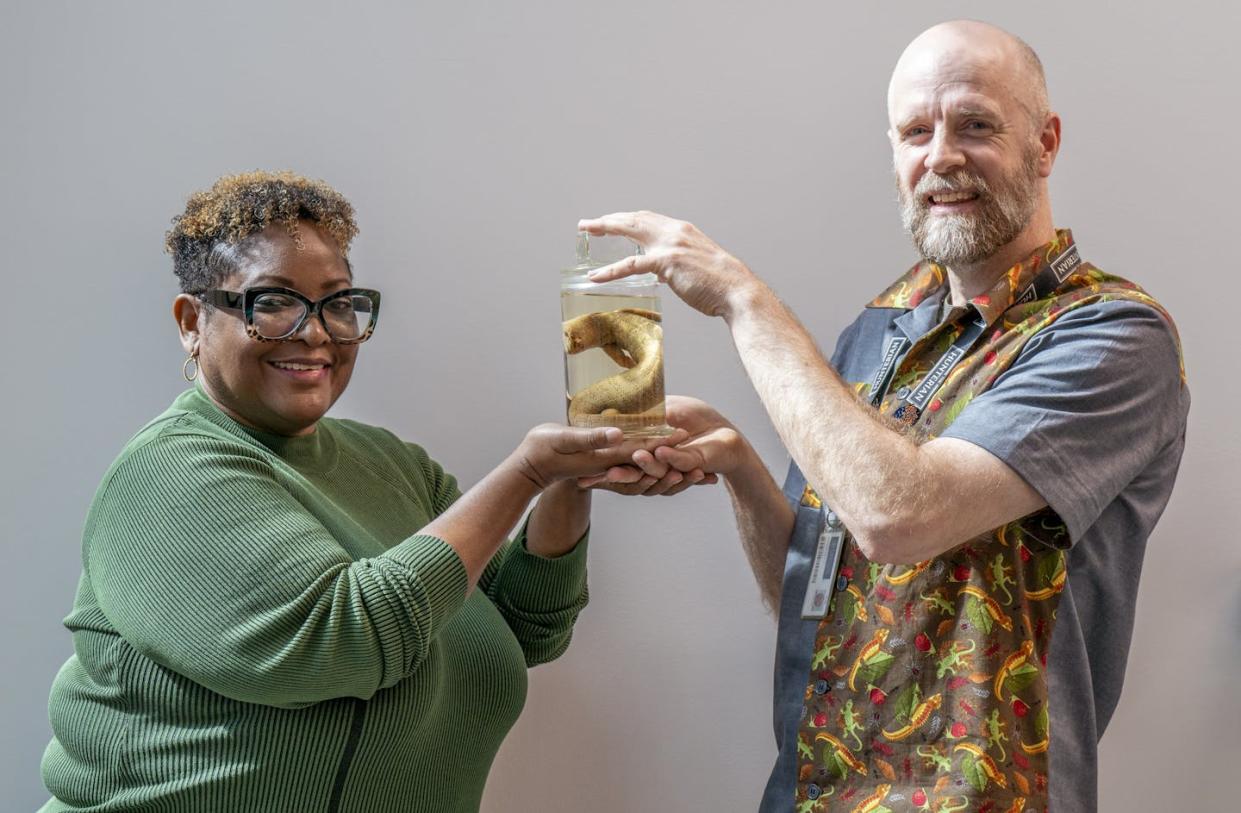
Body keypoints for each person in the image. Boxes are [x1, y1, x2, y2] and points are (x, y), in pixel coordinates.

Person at [579, 20, 1189, 813]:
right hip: (809, 792)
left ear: (1045, 143)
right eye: (914, 132)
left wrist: (741, 298)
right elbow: (816, 590)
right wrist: (736, 465)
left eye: (974, 124)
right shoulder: (877, 329)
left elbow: (899, 514)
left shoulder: (1110, 334)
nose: (939, 156)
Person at [38, 170, 693, 813]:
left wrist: (567, 483)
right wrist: (525, 471)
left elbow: (524, 626)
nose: (315, 330)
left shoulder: (389, 462)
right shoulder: (171, 472)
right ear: (192, 321)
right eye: (273, 301)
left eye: (338, 302)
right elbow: (341, 641)